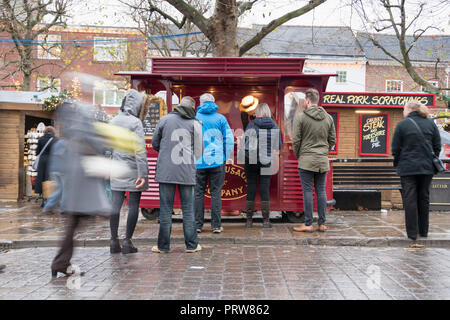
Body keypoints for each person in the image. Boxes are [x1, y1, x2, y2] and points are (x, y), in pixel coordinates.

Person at [51, 102, 111, 277]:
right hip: (82, 186)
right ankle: (60, 263)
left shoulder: (72, 132)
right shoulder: (83, 130)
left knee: (73, 225)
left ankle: (61, 262)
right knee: (73, 225)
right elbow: (96, 149)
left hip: (77, 186)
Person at [151, 96, 203, 253]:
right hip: (186, 171)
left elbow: (155, 142)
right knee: (188, 209)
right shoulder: (196, 123)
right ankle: (192, 246)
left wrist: (166, 153)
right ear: (193, 108)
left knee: (166, 210)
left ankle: (163, 246)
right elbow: (200, 151)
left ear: (179, 106)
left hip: (166, 171)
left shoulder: (165, 120)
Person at [392, 100, 441, 246]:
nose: (402, 112)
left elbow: (395, 148)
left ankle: (412, 233)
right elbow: (437, 146)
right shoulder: (430, 124)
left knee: (410, 199)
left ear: (408, 110)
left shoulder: (402, 125)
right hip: (426, 168)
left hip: (407, 168)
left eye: (403, 109)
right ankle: (424, 231)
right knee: (424, 198)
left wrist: (398, 162)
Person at [109, 89, 149, 254]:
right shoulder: (135, 123)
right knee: (133, 205)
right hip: (133, 169)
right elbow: (139, 150)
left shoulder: (113, 120)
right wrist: (143, 175)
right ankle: (127, 241)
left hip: (116, 167)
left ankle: (113, 241)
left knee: (115, 205)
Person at [292, 88, 336, 233]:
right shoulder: (328, 118)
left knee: (307, 191)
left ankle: (308, 223)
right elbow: (332, 140)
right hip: (322, 160)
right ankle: (322, 223)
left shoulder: (300, 117)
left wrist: (301, 155)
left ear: (307, 101)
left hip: (306, 160)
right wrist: (324, 152)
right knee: (321, 191)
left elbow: (296, 140)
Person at [194, 93, 234, 234]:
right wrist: (225, 156)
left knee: (198, 193)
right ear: (213, 102)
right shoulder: (221, 118)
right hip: (217, 161)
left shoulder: (195, 118)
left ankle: (198, 225)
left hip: (198, 162)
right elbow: (229, 140)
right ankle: (216, 225)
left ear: (200, 102)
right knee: (216, 193)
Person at [242, 102, 281, 228]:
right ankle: (265, 220)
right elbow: (278, 146)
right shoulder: (274, 126)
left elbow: (245, 143)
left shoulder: (251, 124)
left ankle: (249, 220)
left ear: (257, 112)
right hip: (266, 160)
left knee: (251, 188)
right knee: (265, 189)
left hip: (251, 160)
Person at [43, 138, 68, 213]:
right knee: (64, 189)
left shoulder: (57, 144)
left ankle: (49, 206)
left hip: (54, 169)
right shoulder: (67, 144)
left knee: (60, 189)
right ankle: (62, 208)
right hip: (62, 170)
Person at [35, 126, 57, 206]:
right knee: (50, 180)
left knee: (42, 180)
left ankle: (44, 200)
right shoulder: (55, 139)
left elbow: (37, 152)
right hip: (52, 161)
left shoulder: (41, 139)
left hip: (42, 162)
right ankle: (51, 200)